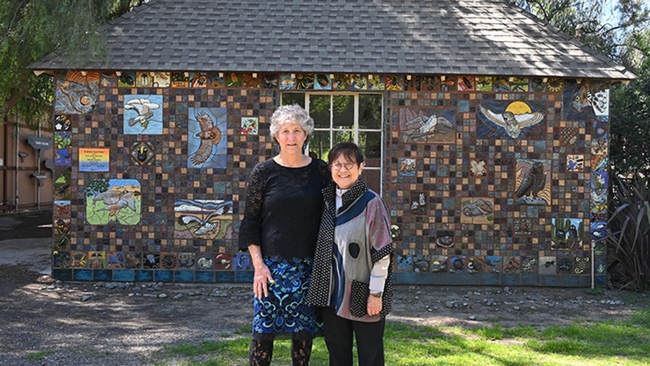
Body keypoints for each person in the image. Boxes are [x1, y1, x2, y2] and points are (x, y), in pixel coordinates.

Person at [239, 104, 330, 366]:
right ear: (276, 136)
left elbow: (331, 217)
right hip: (270, 269)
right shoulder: (263, 172)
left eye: (297, 131)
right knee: (262, 336)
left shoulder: (321, 172)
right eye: (285, 131)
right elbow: (250, 222)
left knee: (303, 336)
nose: (291, 137)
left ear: (306, 135)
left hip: (308, 268)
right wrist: (258, 266)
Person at [307, 142, 394, 366]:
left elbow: (383, 252)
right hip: (332, 293)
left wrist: (376, 294)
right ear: (330, 168)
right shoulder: (326, 200)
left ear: (360, 167)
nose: (342, 170)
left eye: (348, 164)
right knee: (337, 356)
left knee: (370, 357)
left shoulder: (371, 202)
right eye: (337, 164)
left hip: (363, 292)